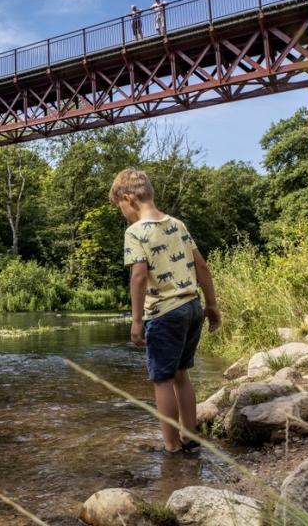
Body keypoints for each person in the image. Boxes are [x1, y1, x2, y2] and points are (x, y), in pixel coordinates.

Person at [110, 168, 221, 454]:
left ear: (128, 198)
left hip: (163, 313)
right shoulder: (178, 224)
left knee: (162, 379)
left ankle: (171, 446)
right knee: (182, 373)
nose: (122, 213)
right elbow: (202, 266)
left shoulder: (134, 232)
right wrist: (212, 305)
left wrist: (136, 320)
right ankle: (189, 436)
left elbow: (137, 276)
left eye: (120, 207)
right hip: (192, 307)